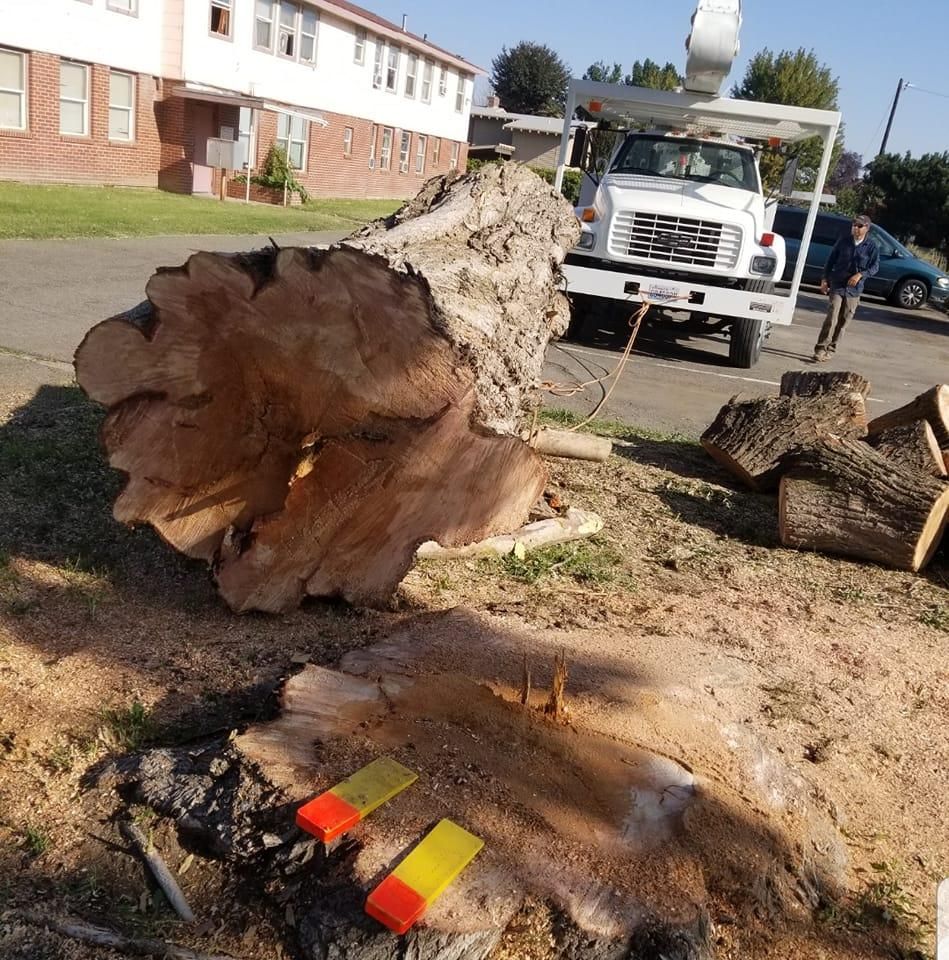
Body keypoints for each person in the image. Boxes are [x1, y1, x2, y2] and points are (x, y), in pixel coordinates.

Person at [813, 214, 880, 361]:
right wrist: (824, 279)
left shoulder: (871, 247)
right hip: (837, 284)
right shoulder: (844, 242)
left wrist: (860, 275)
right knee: (832, 317)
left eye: (859, 226)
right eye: (854, 225)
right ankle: (820, 348)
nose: (855, 228)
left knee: (843, 321)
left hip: (854, 291)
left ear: (867, 228)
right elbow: (830, 261)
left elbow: (875, 267)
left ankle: (831, 349)